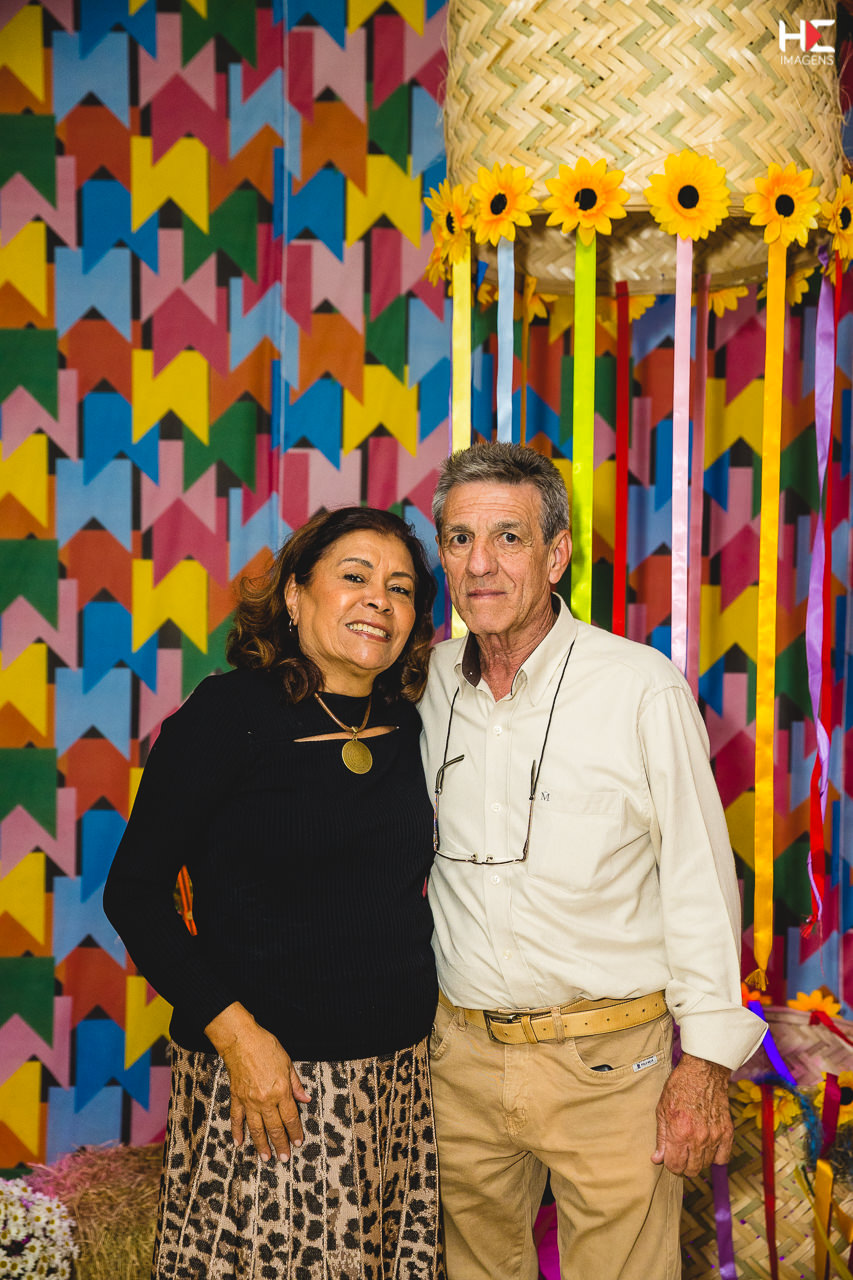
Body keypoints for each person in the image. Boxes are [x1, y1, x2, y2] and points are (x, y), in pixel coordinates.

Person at [418, 442, 766, 1280]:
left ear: (556, 554)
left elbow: (698, 880)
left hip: (611, 1065)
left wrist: (704, 1066)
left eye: (508, 537)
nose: (480, 563)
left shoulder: (638, 686)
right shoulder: (422, 684)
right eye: (459, 539)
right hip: (458, 1061)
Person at [103, 506, 445, 1280]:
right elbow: (134, 892)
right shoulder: (228, 715)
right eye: (354, 576)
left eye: (399, 588)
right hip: (269, 1088)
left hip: (396, 1088)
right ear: (294, 594)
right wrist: (239, 1039)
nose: (378, 600)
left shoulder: (413, 721)